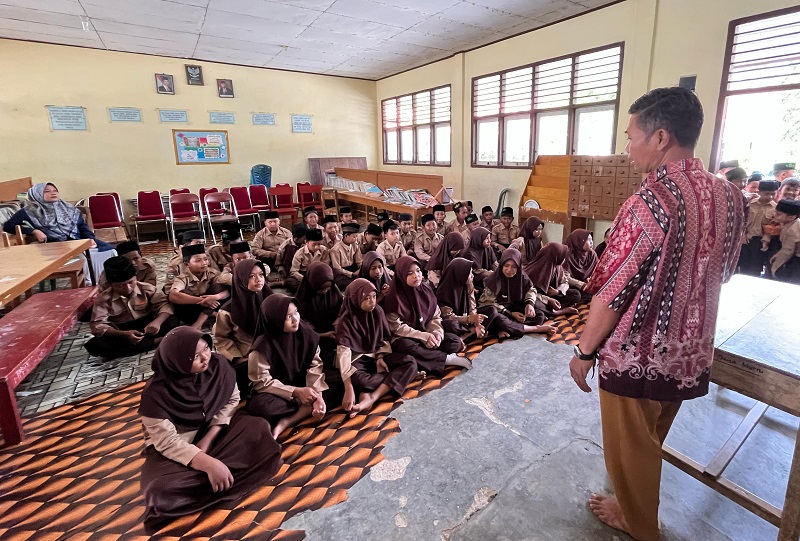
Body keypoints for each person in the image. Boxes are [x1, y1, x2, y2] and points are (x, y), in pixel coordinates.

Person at [568, 87, 745, 541]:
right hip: (690, 353)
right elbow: (723, 272)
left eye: (631, 137)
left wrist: (584, 351)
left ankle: (640, 525)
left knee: (629, 451)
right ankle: (633, 505)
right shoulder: (729, 197)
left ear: (661, 136)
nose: (626, 149)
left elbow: (612, 290)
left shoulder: (650, 203)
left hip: (637, 356)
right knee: (649, 441)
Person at [139, 327, 282, 535]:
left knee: (258, 428)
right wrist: (206, 463)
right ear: (176, 361)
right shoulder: (155, 395)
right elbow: (167, 442)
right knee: (158, 490)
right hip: (178, 449)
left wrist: (209, 438)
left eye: (206, 348)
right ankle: (223, 475)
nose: (205, 357)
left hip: (216, 432)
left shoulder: (219, 365)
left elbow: (232, 400)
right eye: (195, 356)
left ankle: (216, 480)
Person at [248, 294, 328, 439]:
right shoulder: (262, 348)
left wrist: (318, 396)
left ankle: (287, 420)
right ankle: (304, 408)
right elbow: (262, 382)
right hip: (280, 391)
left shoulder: (307, 334)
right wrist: (296, 392)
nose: (295, 319)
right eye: (287, 317)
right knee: (261, 406)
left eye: (296, 312)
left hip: (304, 384)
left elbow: (315, 366)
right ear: (274, 320)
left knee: (338, 382)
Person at [3, 182, 116, 283]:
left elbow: (82, 226)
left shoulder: (68, 208)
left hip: (79, 240)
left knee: (110, 251)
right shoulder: (29, 210)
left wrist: (90, 238)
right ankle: (91, 283)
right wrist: (34, 231)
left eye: (55, 190)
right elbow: (8, 226)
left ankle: (108, 281)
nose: (53, 193)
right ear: (36, 194)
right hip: (56, 246)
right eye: (47, 191)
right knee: (86, 257)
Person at [336, 279, 418, 417]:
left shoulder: (378, 311)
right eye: (366, 298)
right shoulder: (345, 321)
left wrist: (380, 358)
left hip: (378, 355)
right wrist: (348, 387)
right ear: (356, 299)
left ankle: (372, 397)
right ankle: (395, 379)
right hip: (358, 360)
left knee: (410, 362)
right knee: (358, 380)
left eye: (374, 296)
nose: (372, 301)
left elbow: (384, 338)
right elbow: (343, 353)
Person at [385, 256, 469, 376]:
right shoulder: (394, 298)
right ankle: (446, 359)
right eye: (410, 273)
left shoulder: (426, 290)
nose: (416, 275)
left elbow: (435, 316)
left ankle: (427, 358)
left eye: (418, 271)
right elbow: (397, 328)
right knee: (404, 346)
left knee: (454, 342)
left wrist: (436, 333)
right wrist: (423, 336)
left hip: (426, 331)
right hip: (408, 337)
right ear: (401, 275)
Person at [86, 257, 179, 360]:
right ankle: (157, 341)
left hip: (148, 325)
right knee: (96, 345)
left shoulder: (147, 289)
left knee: (172, 320)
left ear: (136, 277)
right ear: (111, 284)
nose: (127, 288)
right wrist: (123, 334)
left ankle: (143, 344)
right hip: (122, 330)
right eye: (120, 286)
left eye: (131, 282)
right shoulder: (103, 300)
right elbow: (97, 325)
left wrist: (157, 322)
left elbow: (165, 305)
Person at [213, 259, 272, 395]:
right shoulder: (228, 311)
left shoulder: (271, 301)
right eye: (251, 276)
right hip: (247, 356)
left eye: (261, 275)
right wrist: (238, 358)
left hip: (271, 351)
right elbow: (221, 340)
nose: (258, 280)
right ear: (240, 279)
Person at [478, 249, 557, 337]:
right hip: (501, 311)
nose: (509, 270)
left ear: (519, 267)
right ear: (501, 265)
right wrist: (510, 313)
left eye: (514, 267)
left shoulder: (522, 277)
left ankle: (510, 329)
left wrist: (529, 304)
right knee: (499, 320)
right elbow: (488, 303)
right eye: (506, 265)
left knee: (539, 315)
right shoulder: (493, 280)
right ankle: (535, 328)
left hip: (514, 307)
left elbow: (531, 290)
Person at [168, 244, 231, 329]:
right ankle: (214, 316)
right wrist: (202, 301)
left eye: (205, 259)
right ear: (187, 264)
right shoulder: (183, 278)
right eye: (198, 261)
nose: (204, 263)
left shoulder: (212, 273)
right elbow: (172, 295)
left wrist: (215, 296)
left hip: (212, 305)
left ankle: (199, 324)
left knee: (218, 287)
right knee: (181, 294)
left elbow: (226, 292)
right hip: (192, 311)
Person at [295, 261, 343, 359]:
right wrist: (323, 335)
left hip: (333, 332)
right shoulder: (301, 300)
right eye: (321, 289)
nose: (325, 291)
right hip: (314, 335)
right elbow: (302, 327)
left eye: (328, 288)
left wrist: (337, 324)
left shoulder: (334, 292)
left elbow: (342, 310)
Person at [525, 243, 581, 316]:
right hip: (538, 297)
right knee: (535, 305)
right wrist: (548, 300)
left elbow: (565, 281)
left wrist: (557, 292)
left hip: (552, 294)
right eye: (562, 256)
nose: (564, 259)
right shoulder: (536, 268)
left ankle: (552, 309)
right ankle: (558, 311)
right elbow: (528, 293)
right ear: (555, 256)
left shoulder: (557, 266)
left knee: (576, 294)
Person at [739, 180, 778, 276]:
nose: (770, 197)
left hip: (758, 242)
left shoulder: (775, 208)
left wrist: (765, 241)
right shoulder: (749, 203)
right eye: (767, 194)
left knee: (755, 267)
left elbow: (771, 228)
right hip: (744, 238)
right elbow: (740, 220)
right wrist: (742, 235)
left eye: (773, 194)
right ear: (759, 192)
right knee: (742, 265)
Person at [287, 227, 329, 291]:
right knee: (290, 282)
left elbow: (326, 266)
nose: (317, 247)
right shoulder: (299, 253)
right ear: (306, 242)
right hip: (304, 275)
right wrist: (305, 279)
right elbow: (293, 271)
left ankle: (311, 289)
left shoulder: (324, 250)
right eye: (314, 244)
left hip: (319, 274)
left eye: (319, 244)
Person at [768, 199, 800, 282]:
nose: (774, 215)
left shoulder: (792, 230)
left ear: (791, 217)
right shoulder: (790, 223)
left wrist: (775, 267)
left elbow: (788, 251)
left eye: (778, 214)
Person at [563, 229, 598, 296]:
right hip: (570, 285)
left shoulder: (592, 254)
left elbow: (598, 270)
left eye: (591, 239)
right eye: (588, 240)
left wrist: (592, 280)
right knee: (576, 294)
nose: (591, 242)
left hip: (586, 285)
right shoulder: (568, 254)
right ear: (578, 241)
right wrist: (582, 284)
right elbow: (564, 277)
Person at [330, 222, 363, 289]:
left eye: (356, 236)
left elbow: (359, 261)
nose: (356, 239)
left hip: (353, 269)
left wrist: (361, 269)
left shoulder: (355, 245)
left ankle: (357, 282)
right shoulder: (335, 249)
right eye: (354, 236)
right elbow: (337, 268)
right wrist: (352, 274)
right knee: (339, 282)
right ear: (346, 236)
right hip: (341, 273)